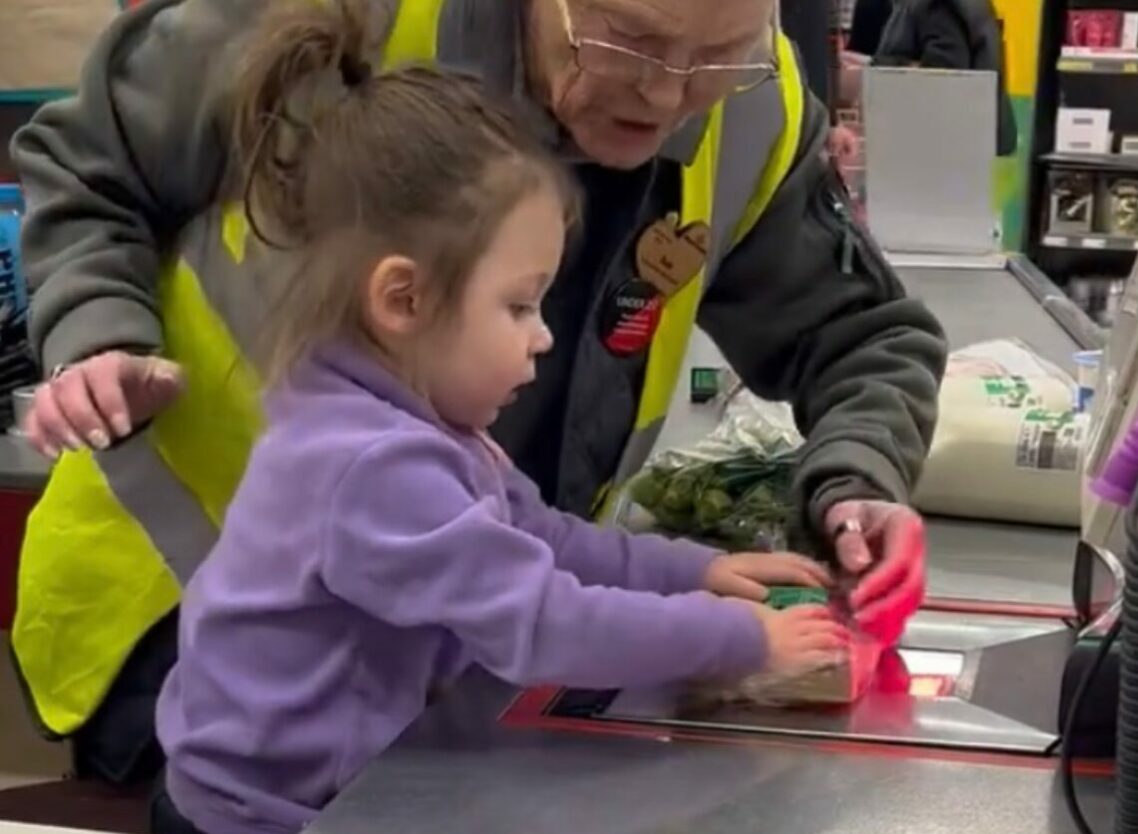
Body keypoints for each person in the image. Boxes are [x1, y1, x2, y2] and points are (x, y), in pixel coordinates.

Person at [12, 0, 947, 788]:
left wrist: (857, 481)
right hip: (203, 639)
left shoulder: (760, 107)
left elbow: (859, 333)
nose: (668, 92)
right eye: (629, 40)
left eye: (715, 57)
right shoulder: (321, 18)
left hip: (454, 655)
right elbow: (88, 169)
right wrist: (98, 337)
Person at [870, 0, 1018, 155]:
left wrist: (886, 68)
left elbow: (942, 80)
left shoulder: (937, 7)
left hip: (944, 153)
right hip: (968, 147)